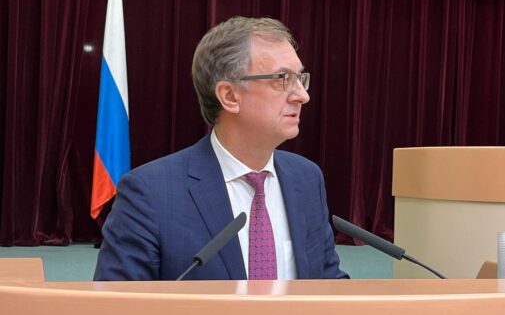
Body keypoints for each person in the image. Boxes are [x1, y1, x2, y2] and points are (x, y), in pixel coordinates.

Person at [94, 17, 348, 280]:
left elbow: (327, 282)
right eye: (283, 79)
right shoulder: (150, 193)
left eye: (300, 78)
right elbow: (119, 300)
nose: (302, 96)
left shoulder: (306, 178)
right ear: (229, 96)